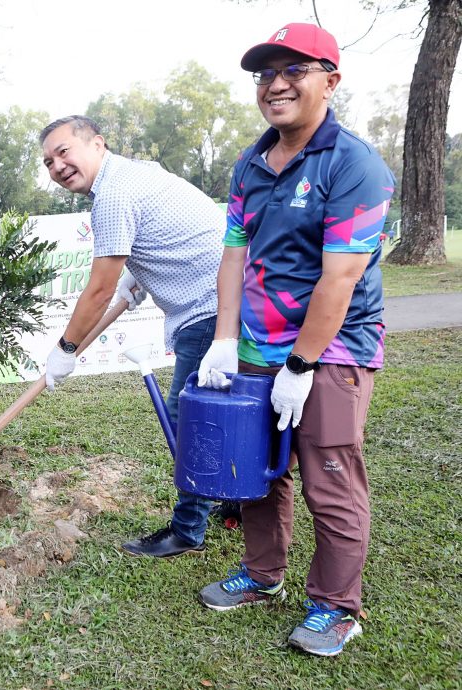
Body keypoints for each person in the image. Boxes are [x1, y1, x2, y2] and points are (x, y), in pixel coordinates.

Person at [195, 23, 394, 657]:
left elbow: (341, 277)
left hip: (332, 347)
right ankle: (262, 575)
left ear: (330, 81)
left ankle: (337, 608)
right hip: (256, 342)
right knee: (253, 469)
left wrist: (302, 364)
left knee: (328, 476)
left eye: (294, 70)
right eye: (265, 74)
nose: (276, 84)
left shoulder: (355, 163)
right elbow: (233, 255)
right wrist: (225, 340)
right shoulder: (249, 163)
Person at [40, 115, 230, 558]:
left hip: (209, 310)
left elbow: (100, 287)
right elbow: (166, 232)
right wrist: (139, 277)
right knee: (214, 417)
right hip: (222, 302)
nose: (57, 166)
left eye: (64, 151)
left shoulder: (113, 194)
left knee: (192, 421)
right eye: (48, 162)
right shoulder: (138, 173)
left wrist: (66, 349)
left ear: (97, 143)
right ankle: (231, 498)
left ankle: (188, 530)